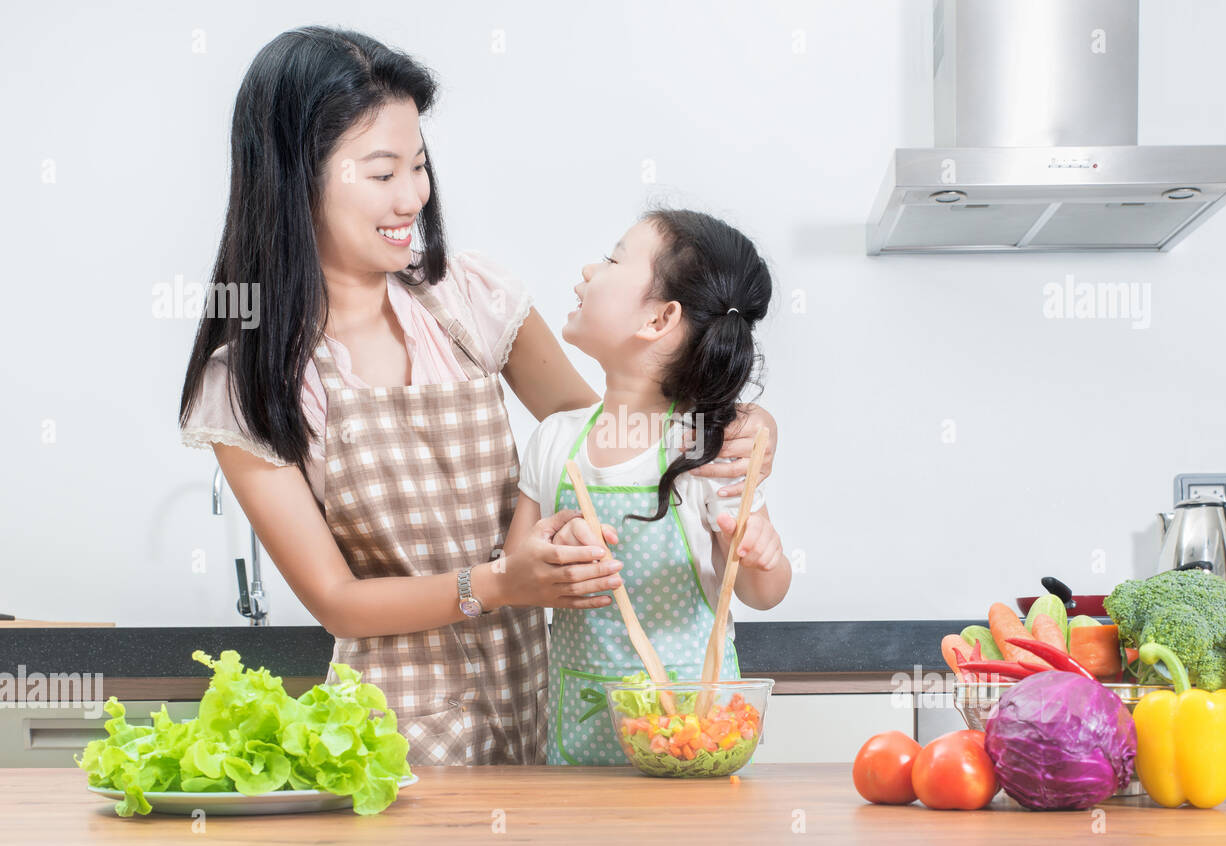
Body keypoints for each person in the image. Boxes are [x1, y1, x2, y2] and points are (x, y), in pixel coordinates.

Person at [176, 27, 780, 767]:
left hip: (536, 711)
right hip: (393, 741)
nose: (413, 196)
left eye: (420, 165)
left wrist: (738, 421)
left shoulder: (469, 299)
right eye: (382, 172)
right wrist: (494, 584)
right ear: (294, 175)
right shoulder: (246, 382)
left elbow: (613, 428)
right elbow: (336, 599)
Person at [509, 209, 792, 765]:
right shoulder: (554, 440)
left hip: (697, 739)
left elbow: (763, 594)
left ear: (660, 320)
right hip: (582, 731)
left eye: (613, 260)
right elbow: (518, 573)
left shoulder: (708, 448)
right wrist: (551, 557)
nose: (589, 270)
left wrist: (761, 556)